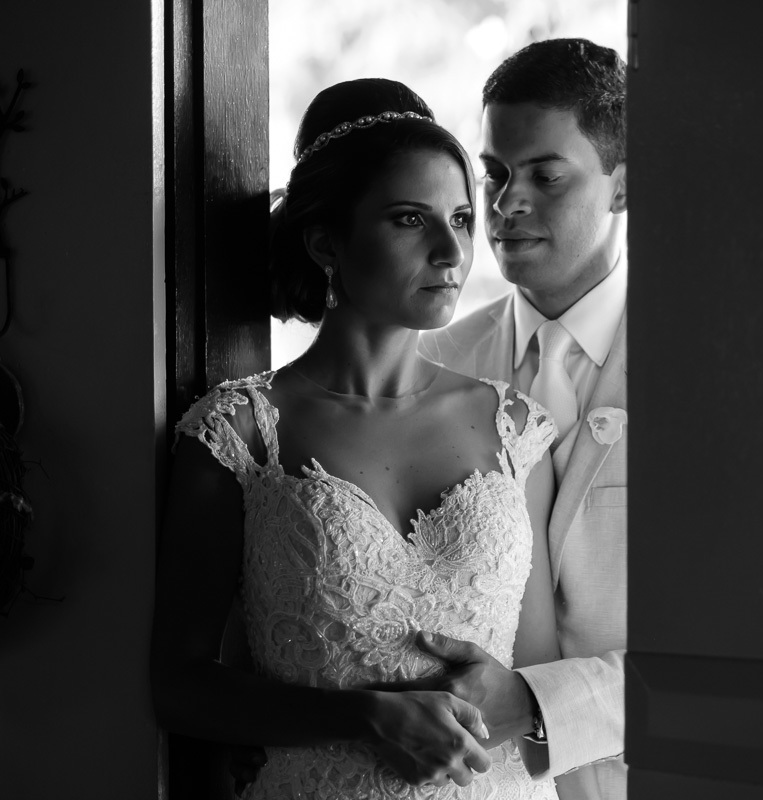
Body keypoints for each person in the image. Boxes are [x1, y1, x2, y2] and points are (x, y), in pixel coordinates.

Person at [150, 78, 561, 799]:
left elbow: (537, 675)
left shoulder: (516, 429)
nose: (450, 249)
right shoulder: (238, 434)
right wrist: (360, 716)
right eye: (410, 219)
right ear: (325, 241)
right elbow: (179, 687)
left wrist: (521, 701)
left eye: (462, 218)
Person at [417, 39, 629, 800]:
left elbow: (739, 645)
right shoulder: (434, 359)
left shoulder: (712, 373)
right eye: (496, 173)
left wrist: (540, 704)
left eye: (544, 175)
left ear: (623, 186)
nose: (506, 203)